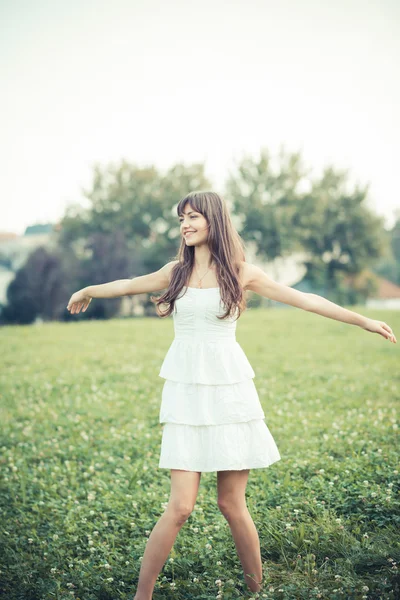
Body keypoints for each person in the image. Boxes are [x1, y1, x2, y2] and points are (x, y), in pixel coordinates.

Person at [66, 190, 396, 599]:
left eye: (193, 217)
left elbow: (305, 300)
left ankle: (255, 592)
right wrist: (89, 290)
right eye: (182, 218)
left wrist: (363, 320)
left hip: (230, 393)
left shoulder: (242, 272)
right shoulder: (174, 272)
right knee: (181, 506)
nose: (185, 224)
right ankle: (142, 596)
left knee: (231, 503)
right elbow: (129, 284)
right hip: (186, 394)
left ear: (213, 221)